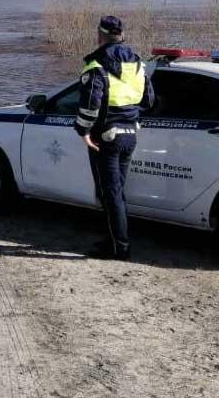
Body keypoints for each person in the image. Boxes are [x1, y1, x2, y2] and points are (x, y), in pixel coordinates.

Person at [74, 16, 154, 261]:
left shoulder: (96, 64)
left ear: (101, 35)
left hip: (105, 137)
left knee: (109, 193)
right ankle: (114, 241)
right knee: (116, 192)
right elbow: (149, 101)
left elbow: (91, 104)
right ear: (121, 35)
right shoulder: (139, 63)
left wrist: (83, 130)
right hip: (130, 134)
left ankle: (120, 248)